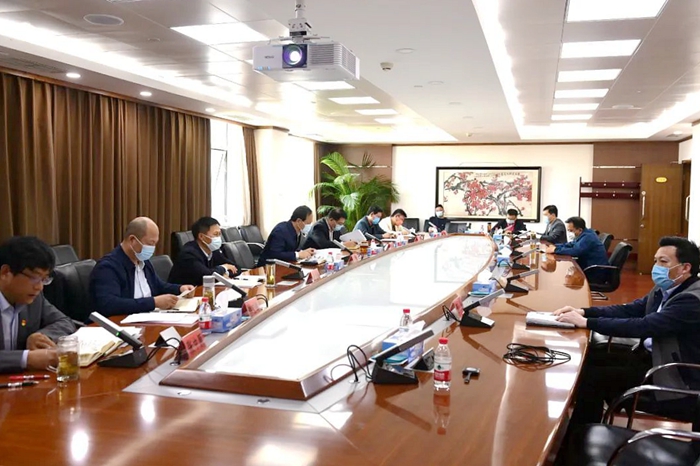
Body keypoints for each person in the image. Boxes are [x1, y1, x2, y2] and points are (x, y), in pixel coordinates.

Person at [554, 236, 700, 426]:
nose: (656, 267)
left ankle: (578, 436)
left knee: (593, 380)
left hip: (672, 375)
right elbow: (630, 309)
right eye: (656, 261)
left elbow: (643, 326)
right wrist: (584, 311)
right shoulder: (667, 288)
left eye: (663, 262)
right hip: (650, 358)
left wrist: (587, 322)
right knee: (587, 361)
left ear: (685, 267)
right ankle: (580, 426)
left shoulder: (691, 300)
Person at [90, 217, 195, 317]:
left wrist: (180, 289)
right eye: (150, 243)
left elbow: (158, 285)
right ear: (132, 240)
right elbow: (109, 304)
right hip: (121, 323)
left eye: (155, 244)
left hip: (149, 318)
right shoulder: (108, 267)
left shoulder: (143, 261)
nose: (153, 248)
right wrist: (153, 302)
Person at [0, 236, 75, 373]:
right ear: (5, 272)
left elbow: (64, 321)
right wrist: (26, 359)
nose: (39, 287)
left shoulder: (33, 298)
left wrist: (41, 337)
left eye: (44, 279)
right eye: (34, 278)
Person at [168, 216, 240, 286]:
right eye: (215, 234)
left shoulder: (213, 250)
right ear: (201, 236)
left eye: (219, 234)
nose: (219, 237)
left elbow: (236, 268)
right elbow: (206, 276)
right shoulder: (188, 253)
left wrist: (224, 273)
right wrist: (224, 268)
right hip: (184, 292)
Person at [544, 216, 608, 282]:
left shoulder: (588, 237)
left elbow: (575, 251)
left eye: (571, 231)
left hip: (594, 272)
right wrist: (555, 247)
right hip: (588, 267)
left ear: (580, 230)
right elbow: (571, 244)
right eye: (568, 230)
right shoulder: (583, 234)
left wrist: (555, 250)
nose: (569, 233)